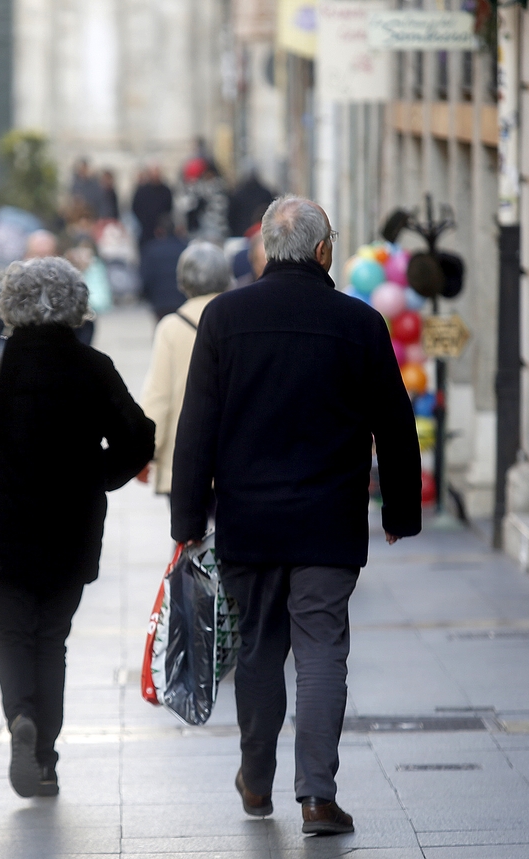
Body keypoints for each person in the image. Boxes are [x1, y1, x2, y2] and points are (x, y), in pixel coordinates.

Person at [170, 196, 421, 834]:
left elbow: (196, 427)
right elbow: (394, 424)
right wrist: (399, 507)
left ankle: (256, 781)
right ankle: (317, 796)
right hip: (328, 523)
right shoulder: (360, 323)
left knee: (258, 649)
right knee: (321, 651)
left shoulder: (224, 319)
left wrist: (188, 520)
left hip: (249, 521)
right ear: (322, 251)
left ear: (265, 251)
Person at [0, 257, 154, 799]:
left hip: (3, 527)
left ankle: (21, 717)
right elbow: (139, 435)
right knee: (52, 640)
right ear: (75, 304)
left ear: (11, 302)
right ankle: (44, 762)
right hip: (72, 527)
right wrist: (100, 476)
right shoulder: (93, 366)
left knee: (11, 633)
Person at [138, 241, 230, 495]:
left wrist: (147, 452)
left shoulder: (171, 327)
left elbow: (159, 396)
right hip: (233, 461)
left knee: (189, 533)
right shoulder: (239, 319)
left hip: (184, 461)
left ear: (183, 282)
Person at [139, 213, 188, 321]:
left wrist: (150, 299)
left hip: (161, 304)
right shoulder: (186, 248)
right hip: (183, 302)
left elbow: (145, 279)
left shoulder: (150, 250)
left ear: (159, 231)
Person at [131, 165, 173, 251]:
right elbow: (135, 207)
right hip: (146, 230)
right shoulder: (142, 191)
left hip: (162, 231)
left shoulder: (166, 191)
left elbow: (168, 209)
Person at [227, 167, 275, 238]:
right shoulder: (265, 193)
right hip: (260, 234)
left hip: (241, 234)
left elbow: (231, 217)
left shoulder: (237, 194)